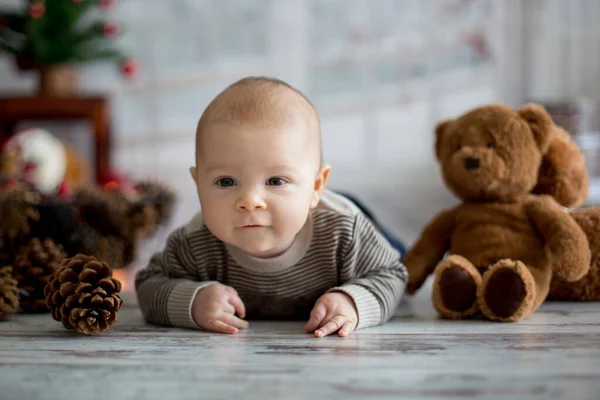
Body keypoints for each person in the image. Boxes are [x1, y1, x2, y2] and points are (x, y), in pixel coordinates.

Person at [135, 76, 407, 338]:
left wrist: (353, 301)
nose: (250, 200)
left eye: (276, 181)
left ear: (315, 187)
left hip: (340, 212)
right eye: (226, 181)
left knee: (401, 254)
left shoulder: (344, 233)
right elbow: (149, 286)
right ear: (199, 185)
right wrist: (193, 302)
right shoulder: (194, 244)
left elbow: (392, 275)